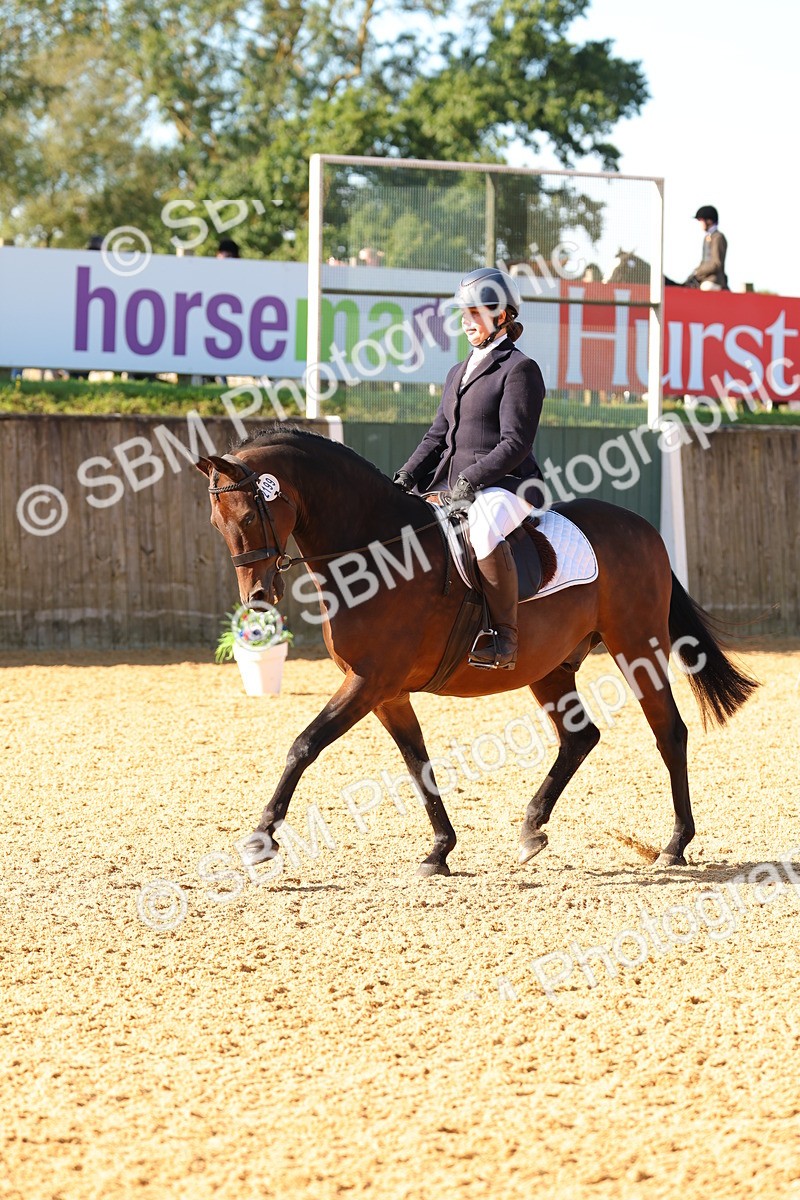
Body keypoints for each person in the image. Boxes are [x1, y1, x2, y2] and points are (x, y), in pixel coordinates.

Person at [392, 267, 546, 670]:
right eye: (464, 314)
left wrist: (471, 479)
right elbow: (437, 436)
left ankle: (504, 638)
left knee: (481, 527)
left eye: (476, 313)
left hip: (508, 486)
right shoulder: (457, 372)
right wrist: (406, 476)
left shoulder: (519, 369)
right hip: (453, 482)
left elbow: (516, 442)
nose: (467, 322)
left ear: (503, 316)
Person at [685, 206, 728, 291]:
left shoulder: (718, 237)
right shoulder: (707, 238)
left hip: (714, 281)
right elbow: (704, 261)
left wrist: (698, 272)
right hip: (704, 279)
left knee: (706, 287)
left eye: (701, 221)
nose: (700, 224)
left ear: (709, 221)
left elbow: (716, 263)